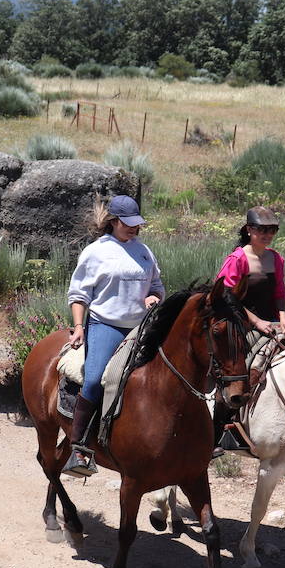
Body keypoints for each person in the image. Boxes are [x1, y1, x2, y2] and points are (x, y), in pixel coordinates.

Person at [60, 194, 165, 477]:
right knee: (94, 379)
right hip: (106, 324)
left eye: (136, 223)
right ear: (114, 221)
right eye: (127, 223)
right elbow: (79, 294)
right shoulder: (96, 252)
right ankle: (78, 447)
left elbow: (156, 284)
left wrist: (154, 297)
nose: (133, 228)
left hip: (140, 327)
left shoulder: (144, 251)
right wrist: (80, 326)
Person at [211, 205, 285, 456]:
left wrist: (283, 316)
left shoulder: (275, 258)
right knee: (245, 366)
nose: (267, 234)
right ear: (249, 230)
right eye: (262, 229)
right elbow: (225, 295)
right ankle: (223, 427)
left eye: (272, 230)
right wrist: (257, 322)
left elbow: (279, 292)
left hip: (271, 322)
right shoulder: (238, 259)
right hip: (241, 322)